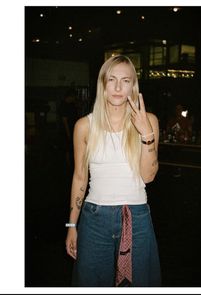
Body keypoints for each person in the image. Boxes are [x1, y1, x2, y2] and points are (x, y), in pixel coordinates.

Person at [65, 55, 161, 287]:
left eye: (125, 80)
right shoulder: (84, 126)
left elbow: (148, 176)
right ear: (103, 84)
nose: (118, 87)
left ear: (133, 85)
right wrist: (71, 226)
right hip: (94, 218)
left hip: (136, 217)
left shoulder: (148, 120)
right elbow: (80, 176)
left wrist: (146, 134)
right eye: (112, 79)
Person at [59, 89, 78, 174]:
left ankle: (70, 164)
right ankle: (68, 166)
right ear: (70, 97)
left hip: (72, 130)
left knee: (70, 148)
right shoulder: (63, 105)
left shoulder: (71, 105)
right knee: (67, 147)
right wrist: (68, 133)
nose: (74, 98)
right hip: (67, 131)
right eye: (73, 97)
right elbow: (65, 121)